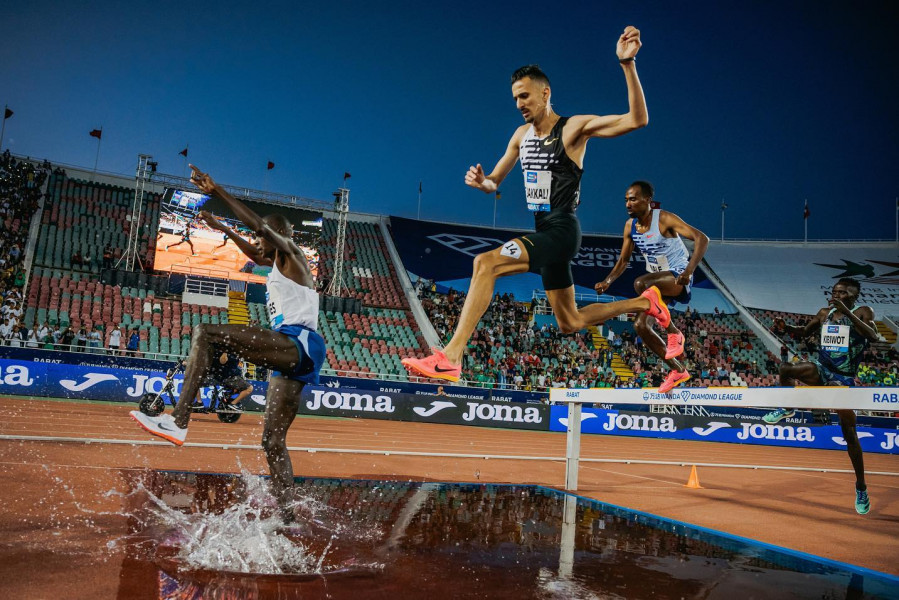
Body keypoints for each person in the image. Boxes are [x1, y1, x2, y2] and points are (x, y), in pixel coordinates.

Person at [404, 27, 668, 382]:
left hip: (562, 230)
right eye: (515, 98)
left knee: (485, 263)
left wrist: (628, 64)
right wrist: (483, 182)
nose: (519, 104)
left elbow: (637, 119)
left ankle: (451, 356)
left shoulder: (572, 129)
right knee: (569, 321)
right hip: (544, 230)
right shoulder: (520, 136)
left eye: (525, 96)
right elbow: (495, 180)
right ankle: (644, 302)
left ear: (546, 93)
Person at [131, 164, 326, 519]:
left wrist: (217, 191)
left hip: (297, 342)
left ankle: (178, 421)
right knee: (272, 441)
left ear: (277, 235)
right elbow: (255, 253)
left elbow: (260, 228)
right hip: (301, 350)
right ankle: (289, 518)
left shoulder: (293, 252)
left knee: (206, 333)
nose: (256, 242)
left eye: (261, 237)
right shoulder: (278, 261)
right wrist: (222, 229)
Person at [763, 278, 879, 515]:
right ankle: (787, 407)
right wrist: (787, 328)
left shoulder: (864, 311)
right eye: (834, 291)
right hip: (821, 369)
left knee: (849, 434)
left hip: (843, 377)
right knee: (786, 369)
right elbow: (803, 331)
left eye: (842, 292)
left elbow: (873, 336)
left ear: (853, 296)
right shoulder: (824, 313)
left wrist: (847, 312)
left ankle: (861, 487)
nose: (836, 294)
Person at [594, 181, 709, 393]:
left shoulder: (664, 219)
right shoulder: (630, 226)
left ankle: (674, 332)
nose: (628, 203)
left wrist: (688, 271)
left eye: (633, 199)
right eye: (626, 199)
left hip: (677, 277)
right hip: (657, 287)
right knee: (640, 326)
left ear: (648, 200)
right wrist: (607, 281)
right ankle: (677, 370)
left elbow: (702, 238)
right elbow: (623, 260)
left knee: (640, 283)